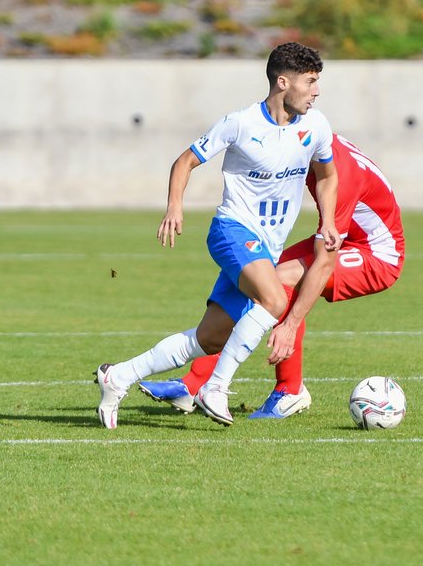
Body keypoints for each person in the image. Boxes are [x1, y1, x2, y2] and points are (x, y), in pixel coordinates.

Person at [94, 42, 341, 428]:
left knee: (209, 339)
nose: (316, 91)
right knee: (275, 298)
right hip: (231, 231)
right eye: (309, 82)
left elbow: (327, 176)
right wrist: (175, 206)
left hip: (266, 247)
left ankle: (119, 376)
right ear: (282, 82)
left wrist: (327, 219)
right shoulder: (241, 123)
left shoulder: (317, 126)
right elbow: (185, 161)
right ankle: (216, 388)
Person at [138, 133, 405, 419]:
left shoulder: (338, 175)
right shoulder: (312, 144)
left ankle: (286, 391)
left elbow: (325, 262)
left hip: (377, 255)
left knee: (279, 279)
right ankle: (196, 384)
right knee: (261, 273)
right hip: (349, 237)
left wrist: (290, 324)